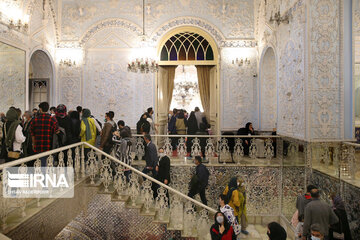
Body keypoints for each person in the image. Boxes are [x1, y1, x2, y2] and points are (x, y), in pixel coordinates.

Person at [30, 102, 59, 166]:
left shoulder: (35, 120)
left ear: (40, 109)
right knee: (50, 164)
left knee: (41, 164)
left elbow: (32, 133)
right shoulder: (52, 119)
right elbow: (57, 131)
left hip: (39, 145)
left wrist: (33, 144)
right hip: (50, 145)